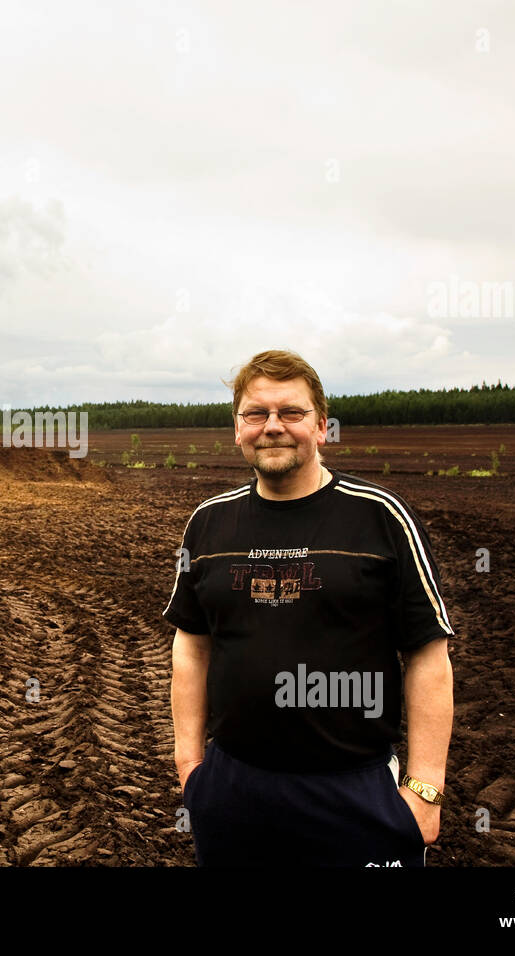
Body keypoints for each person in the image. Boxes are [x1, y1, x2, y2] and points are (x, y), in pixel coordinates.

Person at [165, 349, 454, 866]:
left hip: (355, 790)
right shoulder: (208, 525)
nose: (272, 426)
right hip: (234, 790)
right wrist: (191, 766)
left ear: (322, 426)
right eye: (256, 414)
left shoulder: (381, 518)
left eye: (291, 413)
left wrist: (425, 789)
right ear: (237, 429)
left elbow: (429, 656)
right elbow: (191, 646)